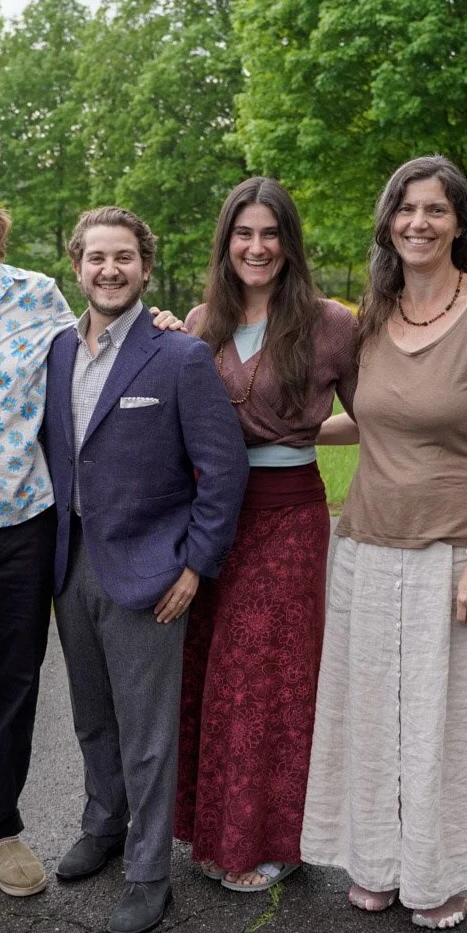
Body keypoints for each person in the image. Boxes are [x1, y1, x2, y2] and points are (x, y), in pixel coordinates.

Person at [0, 160, 184, 906]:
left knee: (12, 687)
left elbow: (102, 344)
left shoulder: (39, 296)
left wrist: (165, 325)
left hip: (24, 526)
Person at [302, 155, 467, 931]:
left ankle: (446, 870)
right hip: (369, 545)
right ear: (388, 223)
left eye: (436, 209)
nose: (419, 223)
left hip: (458, 551)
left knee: (457, 721)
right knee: (375, 714)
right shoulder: (374, 316)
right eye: (406, 209)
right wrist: (276, 431)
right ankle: (377, 860)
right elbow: (369, 420)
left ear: (460, 222)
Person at [42, 207, 247, 933]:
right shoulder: (57, 351)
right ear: (77, 267)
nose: (110, 270)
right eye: (96, 258)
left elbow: (224, 469)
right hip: (70, 562)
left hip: (151, 570)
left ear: (146, 267)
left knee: (148, 731)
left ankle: (148, 871)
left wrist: (195, 566)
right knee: (92, 715)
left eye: (124, 257)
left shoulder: (179, 356)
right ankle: (103, 824)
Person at [174, 177, 359, 892]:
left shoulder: (330, 323)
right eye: (243, 234)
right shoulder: (203, 321)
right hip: (211, 515)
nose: (257, 247)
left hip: (287, 517)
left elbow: (373, 416)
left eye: (270, 233)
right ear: (225, 243)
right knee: (211, 669)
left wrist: (304, 433)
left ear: (290, 242)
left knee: (264, 676)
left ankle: (271, 838)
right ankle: (212, 827)